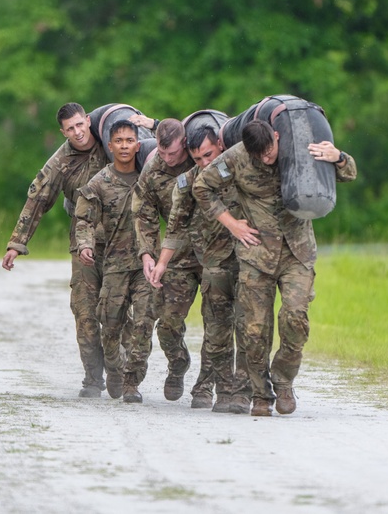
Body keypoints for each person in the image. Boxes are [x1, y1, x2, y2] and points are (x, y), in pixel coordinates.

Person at [192, 119, 357, 416]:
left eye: (270, 151)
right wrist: (231, 224)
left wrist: (339, 157)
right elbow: (202, 186)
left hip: (298, 253)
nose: (267, 159)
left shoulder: (300, 148)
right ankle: (261, 394)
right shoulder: (236, 158)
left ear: (277, 136)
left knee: (295, 318)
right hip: (257, 256)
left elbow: (349, 173)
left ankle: (283, 382)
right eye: (261, 156)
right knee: (254, 331)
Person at [1, 103, 109, 398]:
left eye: (80, 125)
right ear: (63, 132)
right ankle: (92, 378)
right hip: (82, 240)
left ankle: (121, 370)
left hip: (120, 240)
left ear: (88, 121)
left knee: (118, 309)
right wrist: (16, 243)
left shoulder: (113, 141)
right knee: (85, 309)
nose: (77, 132)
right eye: (70, 129)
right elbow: (37, 201)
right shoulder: (61, 161)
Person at [151, 124, 251, 414]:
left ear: (220, 145)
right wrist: (161, 263)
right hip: (213, 262)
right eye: (198, 159)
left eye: (209, 155)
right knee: (217, 328)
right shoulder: (187, 184)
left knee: (248, 327)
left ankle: (243, 391)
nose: (206, 163)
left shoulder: (241, 169)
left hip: (248, 260)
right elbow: (175, 227)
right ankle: (216, 388)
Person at [74, 120, 156, 403]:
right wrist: (85, 245)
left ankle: (132, 381)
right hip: (115, 266)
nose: (124, 146)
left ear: (138, 144)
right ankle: (116, 371)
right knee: (110, 327)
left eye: (129, 140)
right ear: (110, 146)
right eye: (118, 141)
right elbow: (83, 220)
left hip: (146, 265)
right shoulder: (99, 183)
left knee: (144, 323)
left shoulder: (148, 177)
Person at [131, 118, 205, 404]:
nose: (167, 159)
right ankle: (178, 363)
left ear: (184, 145)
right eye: (162, 153)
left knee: (217, 323)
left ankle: (206, 387)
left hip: (215, 254)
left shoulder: (203, 159)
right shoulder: (153, 170)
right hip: (176, 257)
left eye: (172, 154)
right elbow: (144, 215)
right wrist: (147, 254)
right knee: (167, 323)